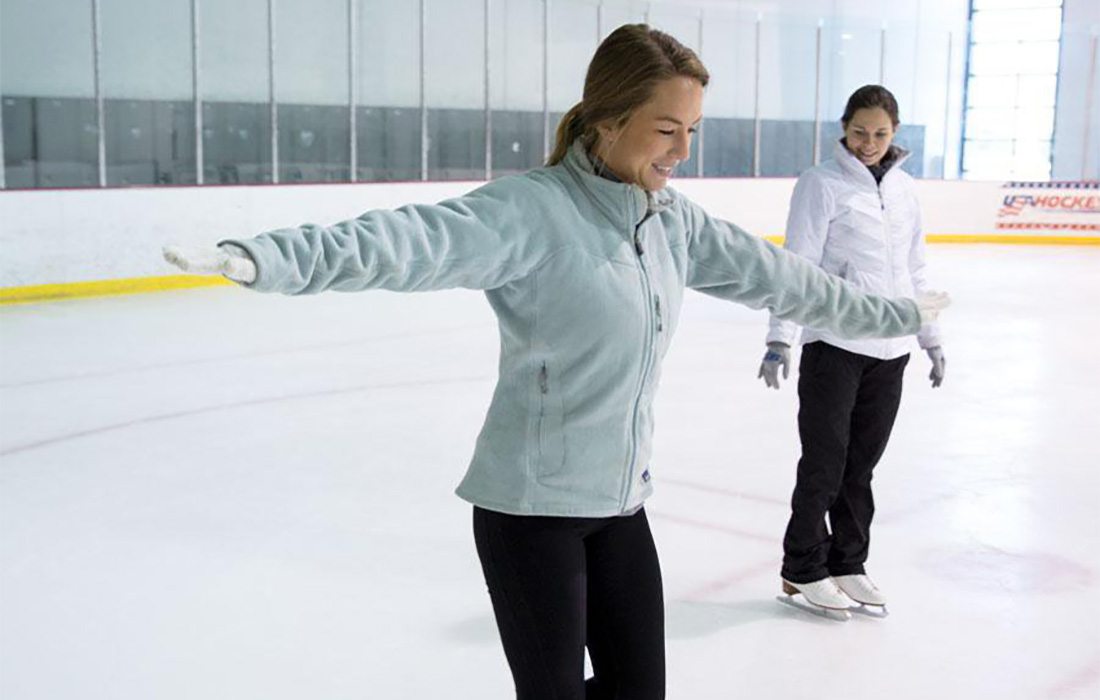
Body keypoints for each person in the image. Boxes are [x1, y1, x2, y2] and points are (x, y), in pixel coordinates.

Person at [165, 29, 948, 699]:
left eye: (693, 132)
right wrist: (264, 258)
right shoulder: (531, 211)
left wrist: (895, 315)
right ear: (608, 122)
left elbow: (785, 279)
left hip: (620, 507)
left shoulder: (670, 222)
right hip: (529, 511)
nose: (681, 152)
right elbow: (406, 241)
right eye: (666, 129)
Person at [758, 84, 946, 618]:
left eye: (880, 133)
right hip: (835, 345)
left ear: (895, 133)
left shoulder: (906, 190)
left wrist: (929, 338)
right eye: (860, 132)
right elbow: (798, 266)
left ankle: (847, 563)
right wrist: (779, 337)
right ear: (845, 127)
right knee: (824, 462)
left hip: (891, 350)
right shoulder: (822, 184)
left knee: (860, 467)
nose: (868, 142)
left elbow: (916, 271)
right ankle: (802, 568)